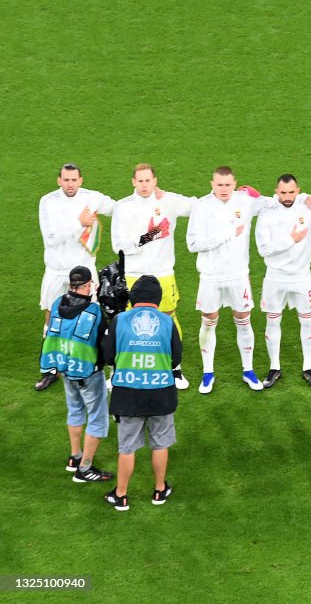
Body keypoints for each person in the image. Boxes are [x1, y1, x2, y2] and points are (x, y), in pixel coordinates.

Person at [185, 166, 311, 394]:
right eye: (219, 185)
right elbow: (192, 244)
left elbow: (279, 198)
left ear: (235, 184)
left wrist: (306, 196)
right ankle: (208, 373)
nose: (224, 189)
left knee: (244, 320)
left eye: (228, 185)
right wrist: (227, 235)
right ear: (212, 184)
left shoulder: (246, 201)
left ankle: (248, 371)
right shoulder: (202, 206)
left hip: (238, 275)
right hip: (211, 276)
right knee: (209, 320)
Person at [111, 163, 196, 389]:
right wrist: (148, 237)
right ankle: (121, 367)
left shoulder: (168, 201)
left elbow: (199, 206)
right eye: (140, 181)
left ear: (155, 180)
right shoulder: (123, 207)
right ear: (133, 182)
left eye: (148, 180)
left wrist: (240, 198)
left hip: (162, 272)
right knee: (127, 321)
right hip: (133, 273)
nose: (144, 185)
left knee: (168, 316)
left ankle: (174, 368)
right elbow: (117, 246)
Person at [102, 276, 182, 511]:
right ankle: (159, 490)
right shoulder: (167, 323)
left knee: (127, 447)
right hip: (161, 392)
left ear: (133, 298)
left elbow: (107, 356)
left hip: (127, 393)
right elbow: (176, 358)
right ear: (158, 299)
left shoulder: (120, 320)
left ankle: (121, 495)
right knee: (160, 444)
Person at [36, 163, 116, 391]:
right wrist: (78, 223)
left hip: (83, 272)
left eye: (74, 180)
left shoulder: (93, 198)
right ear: (58, 181)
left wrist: (152, 199)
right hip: (57, 270)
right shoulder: (48, 201)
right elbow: (50, 238)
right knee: (51, 318)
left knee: (91, 317)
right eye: (66, 180)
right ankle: (50, 369)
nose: (70, 184)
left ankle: (90, 363)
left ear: (81, 180)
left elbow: (118, 208)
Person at [255, 174, 311, 388]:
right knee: (273, 320)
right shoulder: (267, 213)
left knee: (307, 319)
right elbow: (264, 249)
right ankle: (274, 367)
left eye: (292, 192)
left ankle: (308, 368)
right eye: (283, 192)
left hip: (302, 276)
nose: (287, 196)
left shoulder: (307, 206)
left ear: (298, 190)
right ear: (276, 191)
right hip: (275, 276)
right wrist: (291, 240)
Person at [40, 266, 112, 482]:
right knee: (98, 419)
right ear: (88, 285)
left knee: (75, 411)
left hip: (65, 369)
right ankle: (85, 468)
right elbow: (105, 343)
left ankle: (75, 456)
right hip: (88, 373)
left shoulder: (57, 303)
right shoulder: (93, 311)